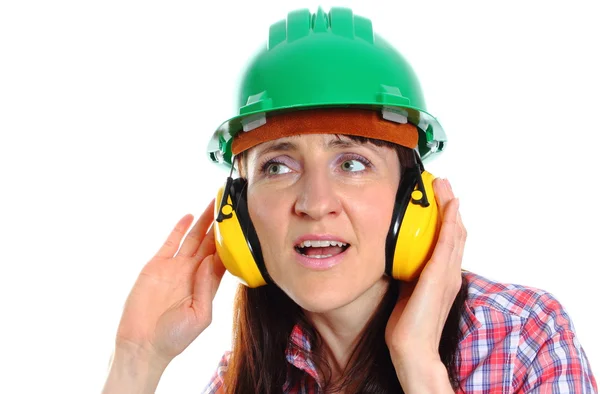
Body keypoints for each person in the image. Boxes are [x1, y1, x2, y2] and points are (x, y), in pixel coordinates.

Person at [101, 6, 597, 394]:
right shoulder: (247, 376)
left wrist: (420, 367)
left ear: (413, 199)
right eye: (277, 166)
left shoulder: (523, 340)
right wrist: (137, 359)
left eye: (353, 163)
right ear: (241, 221)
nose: (315, 204)